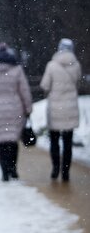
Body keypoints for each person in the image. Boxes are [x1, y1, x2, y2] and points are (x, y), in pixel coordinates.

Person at [0, 42, 32, 181]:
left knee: (2, 141)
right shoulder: (17, 69)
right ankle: (13, 169)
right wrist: (28, 108)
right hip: (15, 108)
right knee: (13, 140)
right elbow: (24, 90)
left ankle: (4, 171)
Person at [40, 38, 82, 182]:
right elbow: (78, 82)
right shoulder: (76, 65)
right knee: (68, 142)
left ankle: (55, 168)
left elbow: (45, 85)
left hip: (55, 108)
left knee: (54, 141)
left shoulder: (51, 66)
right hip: (70, 108)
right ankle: (66, 171)